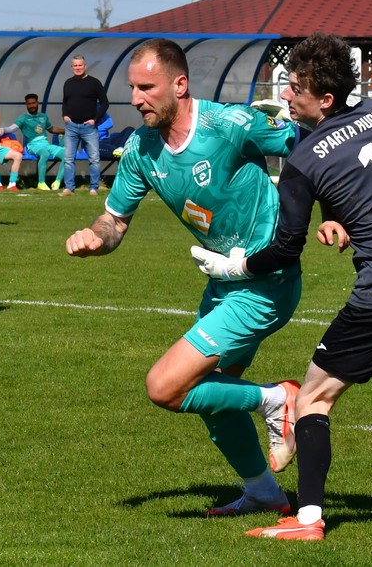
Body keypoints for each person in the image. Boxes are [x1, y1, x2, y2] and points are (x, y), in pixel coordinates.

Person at [65, 38, 305, 517]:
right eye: (132, 88)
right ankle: (263, 492)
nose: (136, 98)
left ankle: (279, 399)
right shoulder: (142, 149)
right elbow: (114, 221)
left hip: (266, 281)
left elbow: (313, 148)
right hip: (222, 285)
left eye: (146, 87)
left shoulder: (229, 125)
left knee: (165, 386)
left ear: (179, 85)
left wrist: (339, 213)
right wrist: (96, 236)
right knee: (212, 396)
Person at [192, 33, 366, 541]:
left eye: (295, 88)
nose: (285, 95)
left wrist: (234, 268)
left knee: (312, 399)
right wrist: (337, 213)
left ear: (325, 99)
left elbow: (287, 248)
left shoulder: (303, 160)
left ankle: (307, 520)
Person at [60, 55, 109, 196]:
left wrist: (95, 119)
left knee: (94, 159)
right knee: (68, 159)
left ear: (85, 66)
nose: (78, 68)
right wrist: (65, 115)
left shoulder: (94, 83)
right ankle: (69, 188)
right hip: (71, 126)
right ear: (72, 67)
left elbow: (105, 103)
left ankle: (94, 188)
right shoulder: (68, 83)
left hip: (89, 127)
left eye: (80, 65)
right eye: (75, 65)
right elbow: (65, 102)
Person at [0, 93, 66, 191]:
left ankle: (57, 182)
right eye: (29, 104)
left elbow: (51, 129)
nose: (32, 106)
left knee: (67, 154)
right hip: (33, 145)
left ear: (37, 103)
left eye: (33, 103)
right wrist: (1, 130)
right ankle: (41, 183)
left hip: (46, 144)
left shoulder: (43, 117)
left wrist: (66, 130)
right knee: (44, 153)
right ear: (26, 104)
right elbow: (11, 129)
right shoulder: (23, 119)